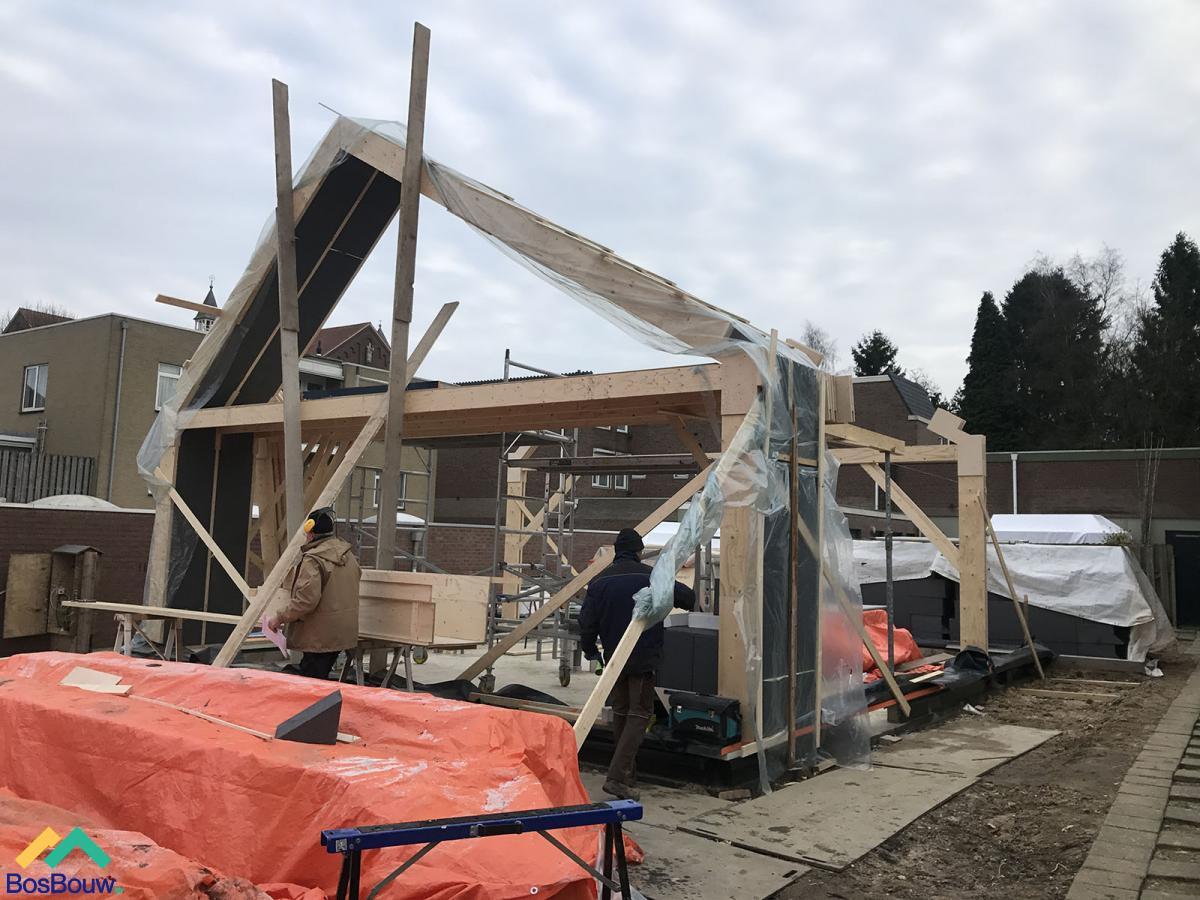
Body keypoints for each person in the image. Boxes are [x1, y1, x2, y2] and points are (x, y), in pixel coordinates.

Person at [579, 528, 696, 801]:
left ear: (616, 551)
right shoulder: (650, 576)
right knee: (640, 713)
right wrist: (667, 579)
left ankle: (627, 774)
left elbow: (587, 623)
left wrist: (590, 651)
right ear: (639, 551)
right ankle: (617, 777)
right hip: (643, 656)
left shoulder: (599, 582)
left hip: (615, 659)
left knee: (621, 711)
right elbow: (688, 599)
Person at [266, 506, 361, 680]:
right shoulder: (348, 556)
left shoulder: (314, 560)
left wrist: (279, 618)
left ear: (311, 533)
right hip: (343, 633)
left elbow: (306, 600)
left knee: (311, 682)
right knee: (319, 678)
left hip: (319, 637)